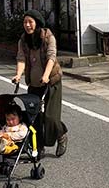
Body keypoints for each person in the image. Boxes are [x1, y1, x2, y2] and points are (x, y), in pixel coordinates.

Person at [11, 9, 67, 159]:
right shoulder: (23, 40)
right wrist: (18, 74)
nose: (27, 25)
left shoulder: (48, 37)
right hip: (34, 84)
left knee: (50, 117)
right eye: (25, 22)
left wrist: (46, 75)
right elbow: (21, 59)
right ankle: (38, 147)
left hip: (52, 82)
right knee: (33, 117)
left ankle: (61, 135)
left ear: (37, 23)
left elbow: (51, 57)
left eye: (30, 22)